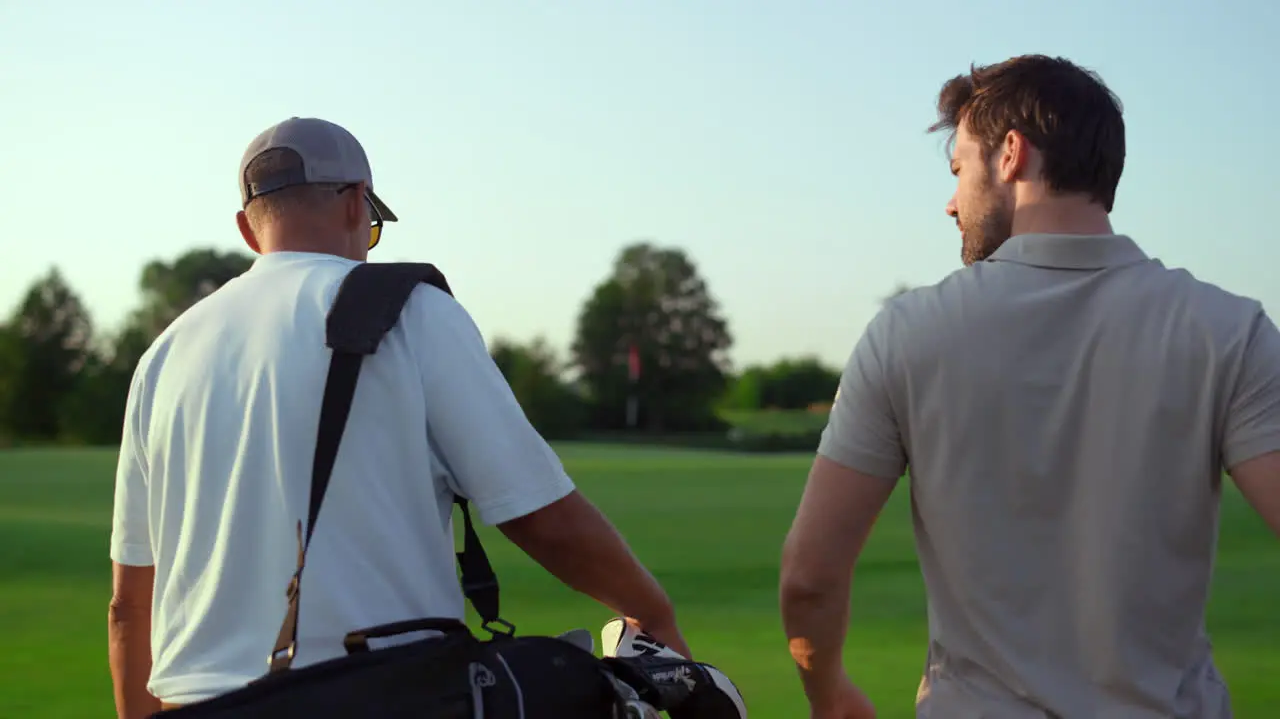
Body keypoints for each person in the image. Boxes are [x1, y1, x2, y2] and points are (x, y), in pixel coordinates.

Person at [107, 116, 691, 718]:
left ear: (248, 231)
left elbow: (130, 607)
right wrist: (654, 614)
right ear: (359, 202)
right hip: (381, 693)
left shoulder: (163, 358)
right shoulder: (412, 311)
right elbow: (542, 518)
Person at [779, 55, 1280, 719]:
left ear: (1011, 154)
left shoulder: (907, 333)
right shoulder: (1230, 329)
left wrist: (829, 693)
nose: (951, 201)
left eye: (958, 169)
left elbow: (810, 578)